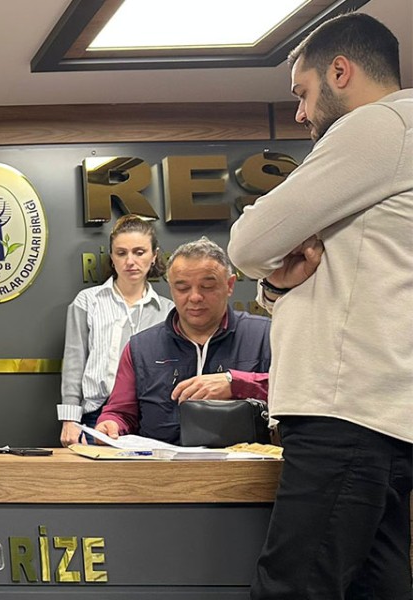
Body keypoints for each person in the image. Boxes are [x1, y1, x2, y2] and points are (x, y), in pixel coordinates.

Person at [227, 12, 413, 599]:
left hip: (345, 413)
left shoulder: (377, 125)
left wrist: (267, 272)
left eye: (302, 93)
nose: (301, 113)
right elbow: (327, 270)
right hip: (378, 415)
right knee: (376, 589)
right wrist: (277, 288)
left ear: (340, 71)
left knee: (293, 588)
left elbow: (249, 242)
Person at [95, 238, 271, 445]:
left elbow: (298, 392)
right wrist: (110, 424)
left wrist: (237, 384)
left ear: (229, 285)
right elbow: (120, 413)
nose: (195, 297)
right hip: (160, 462)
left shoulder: (266, 335)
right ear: (171, 288)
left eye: (207, 286)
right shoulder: (140, 347)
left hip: (247, 462)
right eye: (182, 288)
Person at [58, 215, 173, 446]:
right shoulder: (88, 301)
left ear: (154, 255)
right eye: (121, 253)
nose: (130, 261)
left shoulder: (168, 310)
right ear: (112, 257)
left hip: (149, 417)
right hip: (95, 415)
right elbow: (74, 363)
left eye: (139, 252)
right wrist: (69, 419)